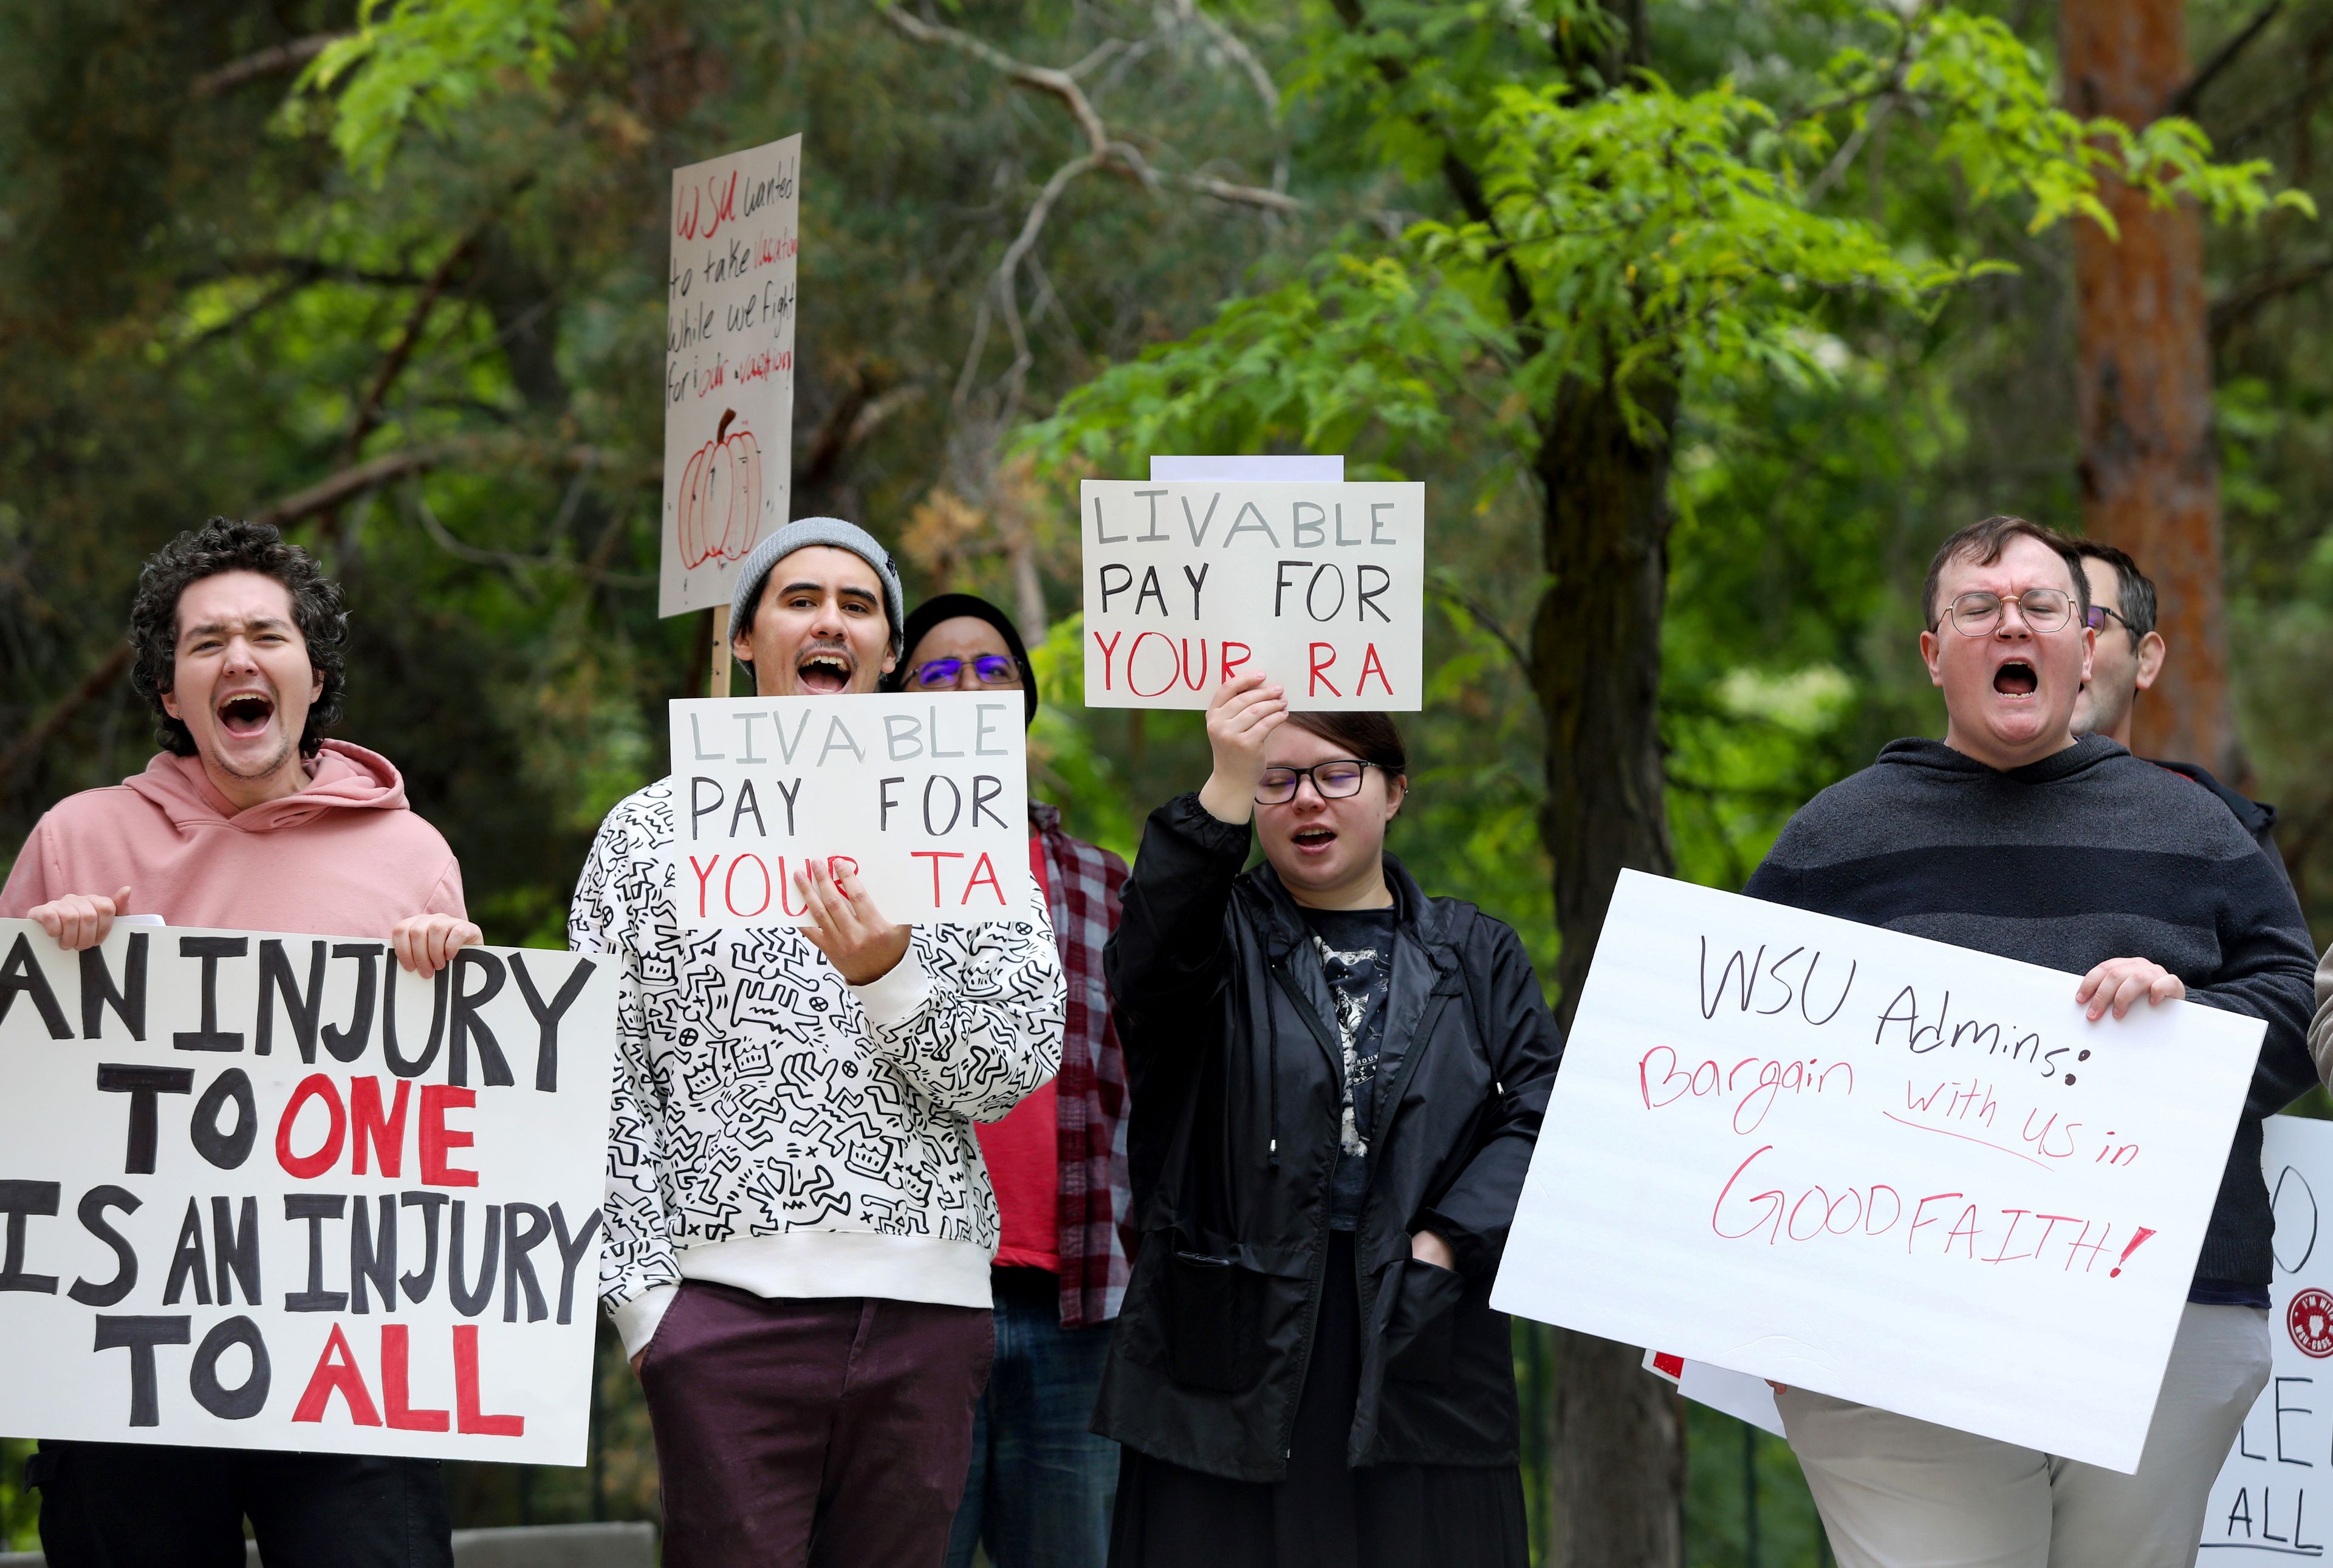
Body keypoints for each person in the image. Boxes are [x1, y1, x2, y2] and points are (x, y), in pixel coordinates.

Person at [1746, 514, 2317, 1568]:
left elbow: (2292, 1007)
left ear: (2087, 644)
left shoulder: (2199, 829)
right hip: (1891, 1323)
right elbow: (1742, 1065)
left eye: (2042, 606)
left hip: (2167, 1310)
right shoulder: (1834, 836)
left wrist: (2186, 1023)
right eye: (1979, 607)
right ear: (1933, 653)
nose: (2013, 623)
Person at [574, 519, 1065, 1568]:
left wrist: (891, 978)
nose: (830, 621)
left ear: (888, 651)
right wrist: (651, 1315)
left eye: (858, 604)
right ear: (744, 639)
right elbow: (602, 1088)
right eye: (800, 599)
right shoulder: (645, 835)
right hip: (719, 1320)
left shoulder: (965, 822)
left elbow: (1018, 1059)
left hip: (925, 1310)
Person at [1, 516, 478, 1568]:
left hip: (348, 1362)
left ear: (314, 677)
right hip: (129, 1368)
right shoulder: (76, 838)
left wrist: (460, 987)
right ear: (171, 693)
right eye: (205, 643)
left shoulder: (411, 852)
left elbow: (452, 1126)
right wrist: (54, 963)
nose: (239, 659)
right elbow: (19, 1110)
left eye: (267, 634)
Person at [1093, 675, 1561, 1568]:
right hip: (1229, 1349)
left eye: (1337, 774)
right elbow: (1148, 962)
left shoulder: (1476, 951)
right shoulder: (1211, 933)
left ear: (1394, 789)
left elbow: (1545, 1115)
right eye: (1277, 779)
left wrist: (1447, 1245)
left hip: (1418, 1327)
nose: (1306, 798)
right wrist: (1223, 782)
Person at [885, 593, 1133, 1568]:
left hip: (1076, 1306)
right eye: (936, 675)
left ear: (1023, 706)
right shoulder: (853, 873)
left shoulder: (1103, 884)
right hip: (916, 1301)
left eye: (991, 672)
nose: (966, 690)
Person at [2068, 538, 2287, 874]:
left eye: (2090, 620)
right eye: (2045, 616)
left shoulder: (2227, 829)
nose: (2067, 645)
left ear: (2145, 659)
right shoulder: (1965, 814)